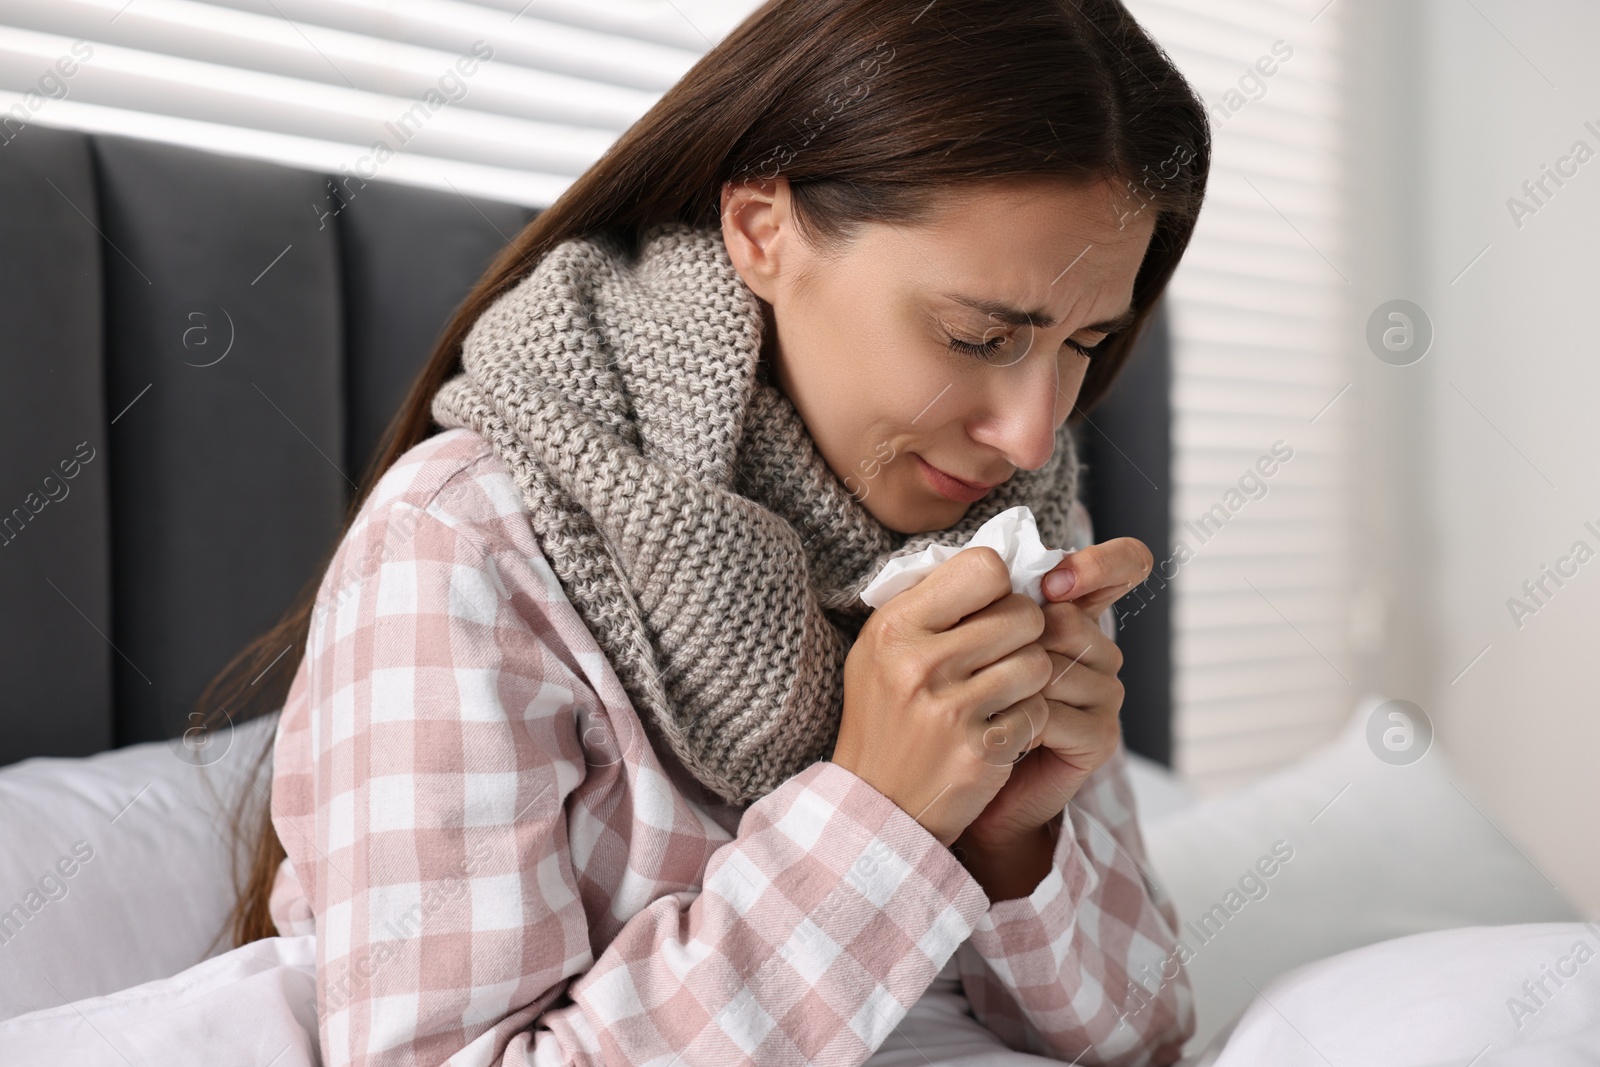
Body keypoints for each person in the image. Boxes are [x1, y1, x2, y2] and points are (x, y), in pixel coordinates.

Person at [201, 1, 1211, 1063]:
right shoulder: (467, 545)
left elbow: (1144, 1037)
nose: (1031, 428)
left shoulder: (1017, 528)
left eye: (1085, 343)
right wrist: (876, 814)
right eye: (979, 334)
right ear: (761, 230)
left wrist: (1016, 837)